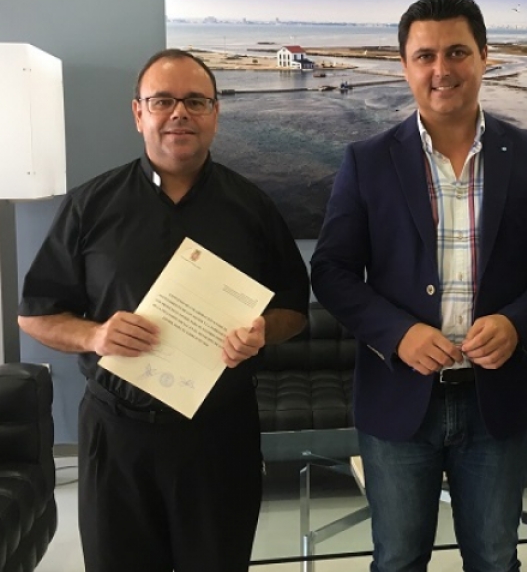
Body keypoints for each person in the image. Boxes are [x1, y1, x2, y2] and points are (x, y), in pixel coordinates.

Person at [310, 0, 527, 572]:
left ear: (485, 56)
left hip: (499, 400)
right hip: (398, 398)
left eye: (458, 52)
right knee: (397, 559)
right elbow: (332, 271)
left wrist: (518, 324)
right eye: (425, 56)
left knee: (495, 559)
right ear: (405, 65)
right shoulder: (366, 161)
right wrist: (397, 334)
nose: (442, 69)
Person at [18, 49, 310, 572]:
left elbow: (294, 309)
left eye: (196, 101)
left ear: (215, 113)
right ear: (139, 113)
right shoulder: (90, 205)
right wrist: (94, 336)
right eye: (162, 101)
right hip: (117, 434)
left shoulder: (253, 207)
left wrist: (263, 331)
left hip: (219, 436)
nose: (180, 113)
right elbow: (35, 314)